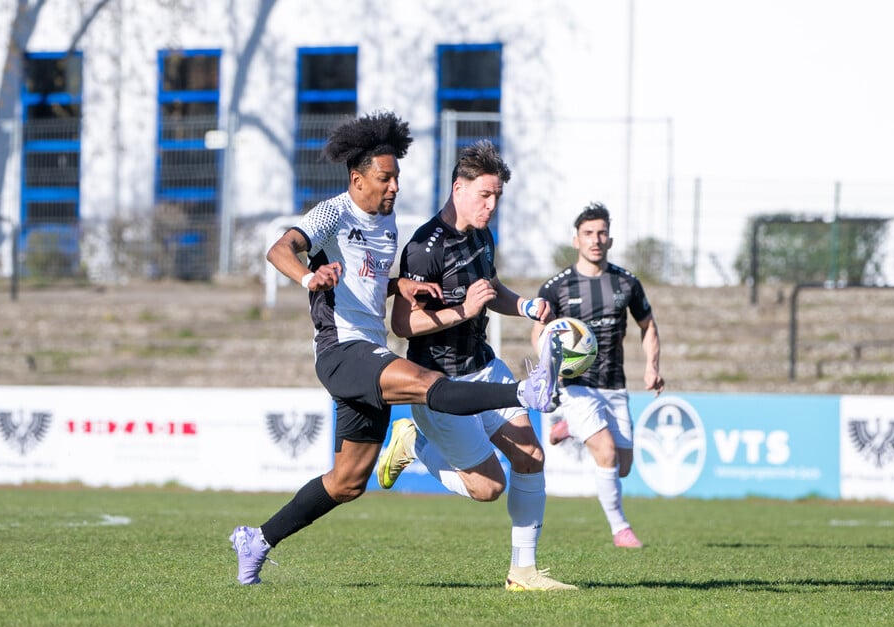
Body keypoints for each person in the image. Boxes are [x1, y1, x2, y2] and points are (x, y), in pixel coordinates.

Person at [229, 112, 562, 585]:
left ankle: (257, 539)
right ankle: (523, 393)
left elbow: (366, 285)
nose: (394, 187)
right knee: (427, 383)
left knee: (347, 483)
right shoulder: (333, 213)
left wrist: (398, 285)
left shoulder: (386, 224)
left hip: (370, 350)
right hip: (343, 351)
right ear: (357, 177)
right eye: (385, 178)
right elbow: (280, 248)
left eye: (397, 178)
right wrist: (309, 276)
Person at [378, 140, 576, 591]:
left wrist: (524, 305)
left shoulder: (483, 236)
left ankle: (523, 573)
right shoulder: (425, 248)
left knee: (531, 457)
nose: (492, 205)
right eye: (485, 195)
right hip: (442, 385)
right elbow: (403, 323)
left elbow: (491, 288)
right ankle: (414, 444)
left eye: (497, 197)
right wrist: (463, 312)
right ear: (458, 189)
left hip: (485, 367)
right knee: (489, 488)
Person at [531, 202, 664, 549]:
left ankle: (569, 429)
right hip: (575, 386)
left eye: (602, 233)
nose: (596, 239)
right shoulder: (557, 286)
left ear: (610, 239)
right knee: (604, 452)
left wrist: (652, 366)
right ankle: (621, 529)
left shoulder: (627, 283)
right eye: (588, 233)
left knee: (622, 466)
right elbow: (539, 332)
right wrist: (549, 365)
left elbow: (648, 325)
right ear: (576, 239)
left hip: (615, 384)